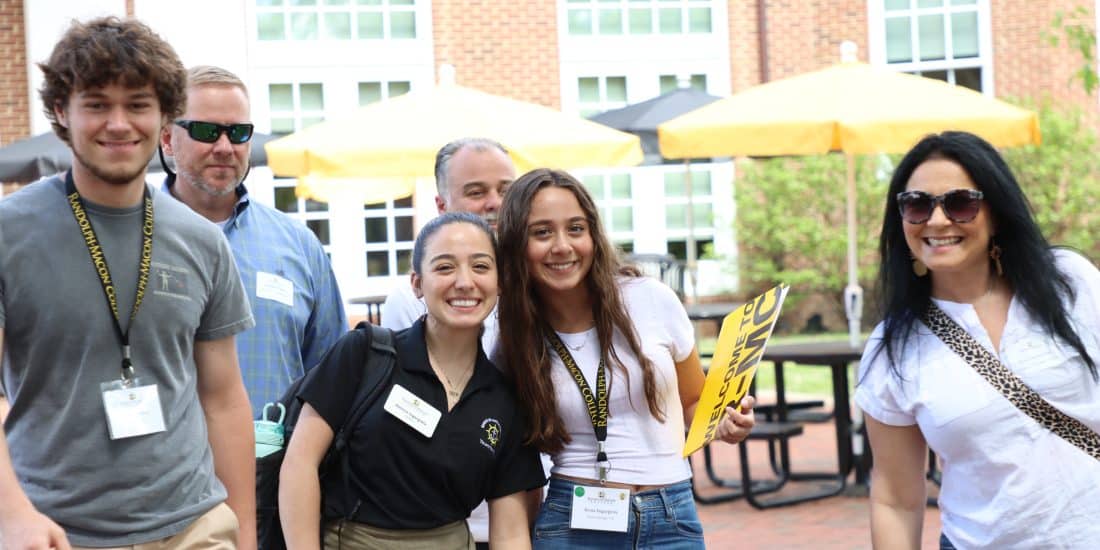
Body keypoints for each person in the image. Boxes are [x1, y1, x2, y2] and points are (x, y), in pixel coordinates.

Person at [0, 17, 257, 550]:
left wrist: (245, 532)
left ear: (164, 117)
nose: (119, 123)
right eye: (96, 103)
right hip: (53, 532)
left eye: (137, 104)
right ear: (61, 113)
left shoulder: (202, 241)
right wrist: (12, 515)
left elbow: (224, 398)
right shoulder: (8, 233)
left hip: (194, 527)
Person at [856, 131, 1100, 549]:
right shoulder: (893, 348)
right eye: (916, 205)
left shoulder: (1068, 282)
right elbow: (896, 501)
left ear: (997, 212)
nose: (936, 221)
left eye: (960, 203)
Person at [495, 168, 756, 548]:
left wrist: (724, 423)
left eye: (575, 228)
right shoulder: (511, 335)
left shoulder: (650, 299)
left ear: (594, 236)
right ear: (517, 243)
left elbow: (694, 401)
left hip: (672, 516)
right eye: (542, 232)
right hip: (574, 523)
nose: (562, 245)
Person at [279, 212, 545, 549]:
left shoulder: (504, 397)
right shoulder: (366, 354)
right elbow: (300, 464)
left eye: (480, 267)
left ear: (500, 281)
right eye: (445, 267)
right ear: (417, 283)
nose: (465, 282)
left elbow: (509, 533)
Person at [161, 65, 347, 418]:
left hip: (276, 465)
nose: (224, 147)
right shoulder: (135, 240)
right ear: (167, 138)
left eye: (238, 132)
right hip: (166, 468)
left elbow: (332, 375)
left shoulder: (299, 246)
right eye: (206, 131)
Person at [379, 137, 516, 548]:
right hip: (443, 519)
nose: (494, 202)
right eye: (476, 192)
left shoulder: (544, 285)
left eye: (506, 190)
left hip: (533, 509)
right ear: (441, 205)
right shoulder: (411, 301)